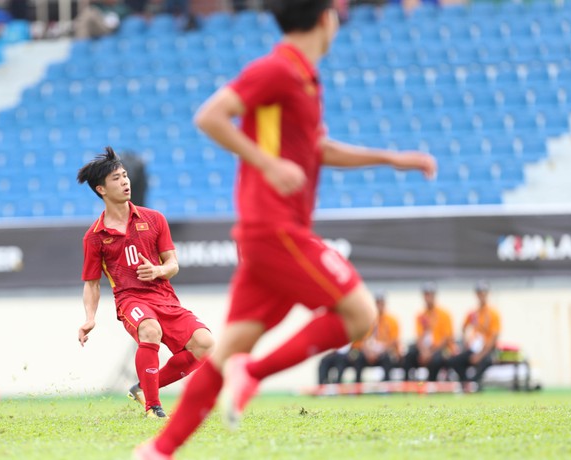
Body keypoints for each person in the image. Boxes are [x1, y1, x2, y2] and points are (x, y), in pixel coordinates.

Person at [134, 1, 436, 457]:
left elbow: (317, 149)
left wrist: (392, 160)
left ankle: (158, 450)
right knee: (359, 314)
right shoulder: (277, 69)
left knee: (229, 345)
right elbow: (210, 116)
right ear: (324, 19)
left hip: (269, 233)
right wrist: (267, 163)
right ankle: (253, 374)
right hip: (276, 229)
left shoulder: (304, 79)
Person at [76, 146, 214, 419]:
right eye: (116, 178)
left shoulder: (155, 219)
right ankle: (153, 407)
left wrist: (159, 270)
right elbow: (92, 283)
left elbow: (173, 264)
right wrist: (89, 317)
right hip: (131, 300)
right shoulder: (94, 236)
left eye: (125, 175)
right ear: (101, 189)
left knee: (205, 345)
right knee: (150, 330)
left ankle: (143, 388)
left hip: (164, 297)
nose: (125, 182)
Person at [447, 280, 501, 391]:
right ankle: (465, 383)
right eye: (479, 292)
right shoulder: (473, 313)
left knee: (485, 362)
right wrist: (465, 341)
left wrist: (480, 355)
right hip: (474, 349)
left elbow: (494, 337)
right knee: (454, 361)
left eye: (483, 292)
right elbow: (464, 328)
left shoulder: (493, 313)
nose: (481, 295)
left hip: (487, 351)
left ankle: (474, 385)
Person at [401, 282, 456, 382]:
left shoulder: (444, 314)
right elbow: (419, 336)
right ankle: (408, 384)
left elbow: (446, 338)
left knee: (436, 360)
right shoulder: (421, 315)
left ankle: (431, 383)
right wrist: (424, 352)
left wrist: (430, 353)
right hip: (425, 350)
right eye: (425, 294)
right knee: (409, 355)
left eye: (429, 294)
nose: (427, 297)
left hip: (439, 349)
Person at [349, 291, 401, 382]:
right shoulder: (367, 319)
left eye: (381, 302)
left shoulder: (391, 320)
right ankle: (357, 388)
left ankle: (386, 386)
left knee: (387, 358)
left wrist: (380, 351)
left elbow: (394, 340)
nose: (379, 305)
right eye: (377, 303)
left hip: (383, 352)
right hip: (368, 352)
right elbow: (362, 339)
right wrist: (369, 352)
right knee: (358, 358)